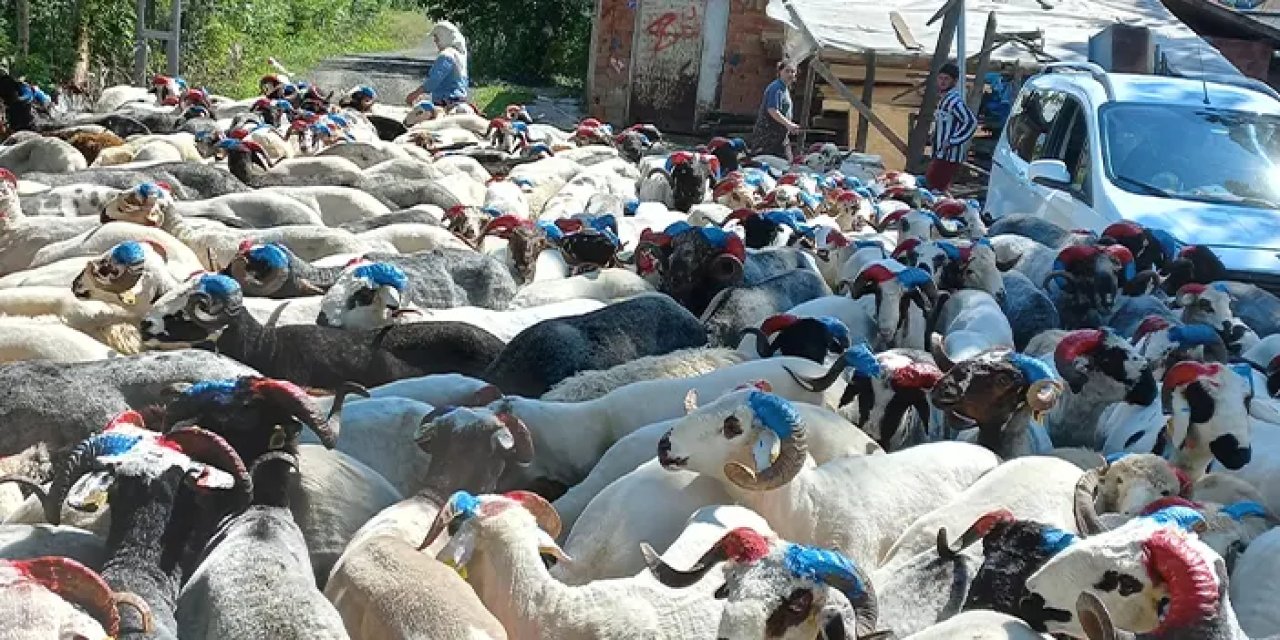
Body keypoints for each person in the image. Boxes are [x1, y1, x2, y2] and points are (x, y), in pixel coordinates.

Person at [926, 62, 979, 192]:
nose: (942, 82)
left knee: (935, 188)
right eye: (940, 78)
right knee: (936, 186)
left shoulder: (954, 102)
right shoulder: (943, 100)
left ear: (954, 82)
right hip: (939, 154)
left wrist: (952, 141)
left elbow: (971, 122)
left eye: (946, 79)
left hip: (948, 156)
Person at [406, 21, 469, 108]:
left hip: (446, 103)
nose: (435, 41)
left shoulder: (447, 55)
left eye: (436, 37)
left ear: (444, 36)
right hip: (460, 101)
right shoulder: (459, 55)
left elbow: (434, 80)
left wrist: (414, 94)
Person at [751, 61, 801, 162]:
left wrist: (789, 127)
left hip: (781, 138)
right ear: (780, 72)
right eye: (787, 71)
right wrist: (789, 124)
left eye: (793, 72)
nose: (790, 74)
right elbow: (772, 110)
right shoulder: (776, 88)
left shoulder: (785, 89)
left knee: (788, 165)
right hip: (768, 137)